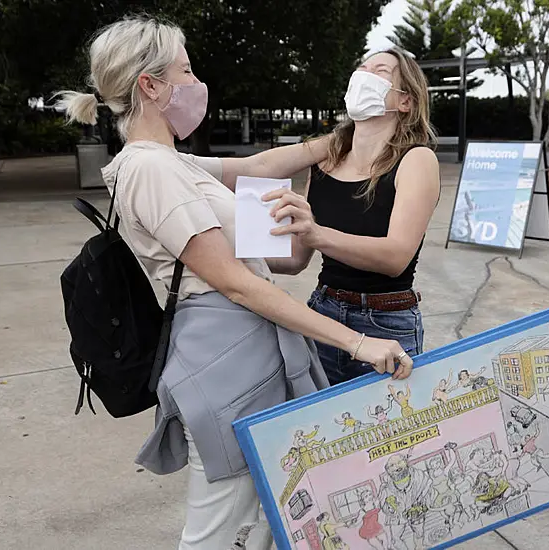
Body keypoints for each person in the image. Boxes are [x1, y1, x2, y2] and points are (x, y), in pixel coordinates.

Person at [57, 16, 413, 550]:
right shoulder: (151, 170)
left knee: (262, 522)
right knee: (223, 533)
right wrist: (358, 341)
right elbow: (239, 285)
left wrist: (340, 139)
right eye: (186, 69)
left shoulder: (171, 162)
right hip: (226, 363)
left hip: (239, 358)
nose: (196, 81)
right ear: (150, 86)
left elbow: (260, 169)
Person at [261, 48, 441, 385]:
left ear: (406, 101)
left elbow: (395, 257)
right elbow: (297, 259)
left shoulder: (416, 160)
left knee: (387, 433)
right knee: (322, 430)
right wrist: (233, 254)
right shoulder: (326, 160)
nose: (365, 74)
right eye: (362, 67)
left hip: (387, 321)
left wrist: (317, 233)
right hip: (323, 314)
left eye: (381, 71)